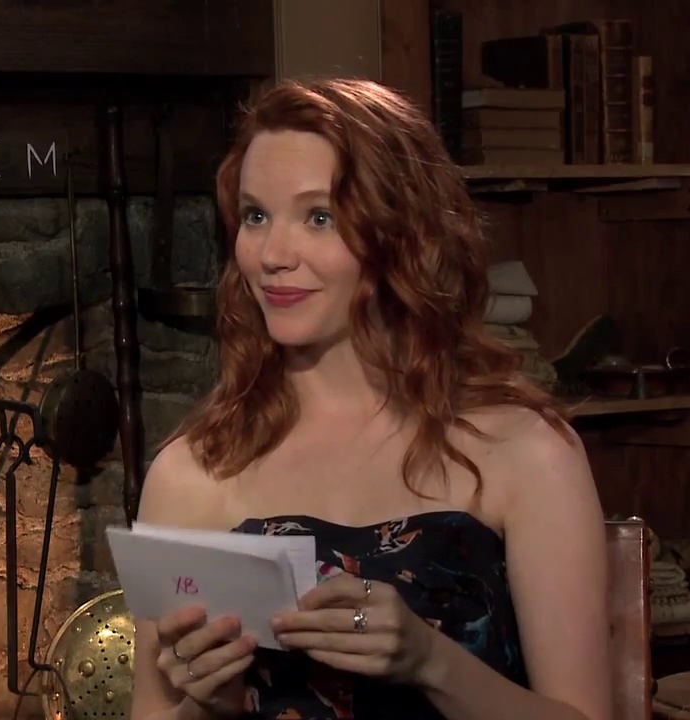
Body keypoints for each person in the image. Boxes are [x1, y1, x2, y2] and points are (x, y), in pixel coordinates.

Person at [128, 78, 611, 720]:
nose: (272, 255)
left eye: (319, 217)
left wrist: (430, 662)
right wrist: (213, 705)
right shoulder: (193, 471)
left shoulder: (525, 452)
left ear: (401, 234)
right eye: (255, 216)